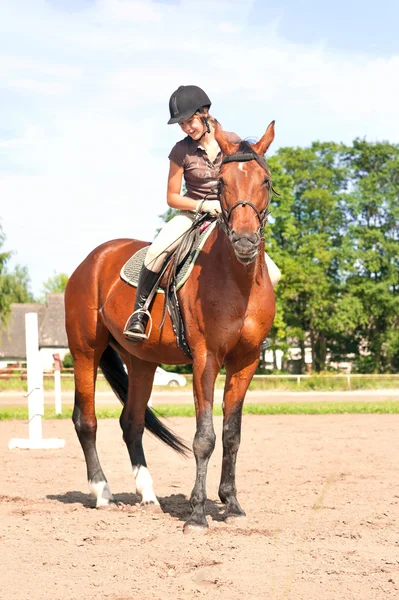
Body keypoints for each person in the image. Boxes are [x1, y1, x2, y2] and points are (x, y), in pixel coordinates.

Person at [123, 85, 280, 341]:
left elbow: (249, 178)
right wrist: (204, 205)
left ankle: (254, 324)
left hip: (230, 217)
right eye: (181, 125)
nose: (186, 128)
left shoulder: (234, 141)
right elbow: (172, 197)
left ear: (204, 113)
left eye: (189, 121)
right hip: (193, 214)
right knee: (156, 251)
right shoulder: (180, 151)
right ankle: (140, 312)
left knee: (273, 273)